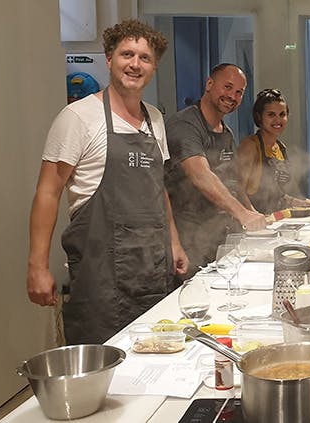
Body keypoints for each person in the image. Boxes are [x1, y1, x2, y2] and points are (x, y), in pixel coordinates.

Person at [27, 20, 188, 344]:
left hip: (153, 272)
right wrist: (37, 266)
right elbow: (48, 191)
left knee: (155, 362)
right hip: (100, 277)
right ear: (109, 59)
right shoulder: (78, 117)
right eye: (127, 54)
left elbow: (159, 187)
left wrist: (174, 241)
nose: (135, 64)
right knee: (107, 377)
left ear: (154, 66)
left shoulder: (154, 118)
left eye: (144, 57)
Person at [164, 63, 265, 278]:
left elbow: (233, 183)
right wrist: (242, 214)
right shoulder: (185, 125)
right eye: (227, 87)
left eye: (239, 92)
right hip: (188, 238)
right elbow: (201, 175)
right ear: (209, 84)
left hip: (218, 236)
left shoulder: (226, 133)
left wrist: (251, 211)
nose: (233, 96)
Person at [236, 89, 306, 213]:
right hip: (254, 223)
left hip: (277, 221)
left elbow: (279, 196)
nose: (278, 120)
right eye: (271, 115)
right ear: (259, 117)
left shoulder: (281, 147)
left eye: (282, 114)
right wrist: (253, 216)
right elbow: (238, 191)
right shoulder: (250, 146)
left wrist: (308, 204)